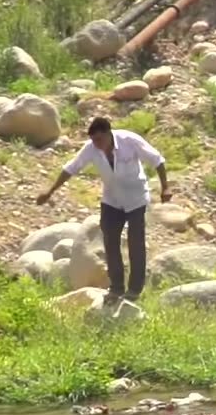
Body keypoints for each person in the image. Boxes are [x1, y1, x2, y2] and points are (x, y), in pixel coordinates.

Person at [37, 116, 171, 303]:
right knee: (110, 241)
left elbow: (157, 160)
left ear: (109, 134)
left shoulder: (129, 141)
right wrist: (50, 191)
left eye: (100, 140)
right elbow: (71, 168)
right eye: (94, 141)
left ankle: (134, 290)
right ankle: (116, 287)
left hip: (136, 199)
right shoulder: (91, 148)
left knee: (136, 243)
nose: (97, 145)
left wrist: (166, 187)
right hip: (112, 200)